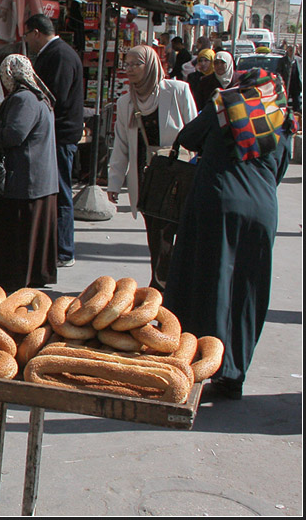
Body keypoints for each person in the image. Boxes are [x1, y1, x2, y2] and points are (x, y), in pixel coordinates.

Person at [163, 69, 295, 400]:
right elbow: (280, 167)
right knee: (247, 289)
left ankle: (197, 359)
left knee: (206, 280)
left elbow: (188, 137)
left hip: (217, 203)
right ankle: (233, 373)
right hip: (262, 210)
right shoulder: (282, 117)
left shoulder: (223, 106)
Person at [106, 45, 196, 291]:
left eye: (137, 64)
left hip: (178, 177)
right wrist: (114, 182)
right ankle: (161, 285)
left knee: (176, 236)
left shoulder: (177, 91)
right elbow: (121, 145)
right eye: (127, 64)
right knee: (157, 236)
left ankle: (173, 286)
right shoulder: (126, 102)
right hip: (148, 180)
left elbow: (195, 133)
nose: (130, 69)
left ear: (152, 65)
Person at [0, 54, 59, 289]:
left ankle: (12, 279)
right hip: (39, 178)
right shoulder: (40, 98)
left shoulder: (24, 99)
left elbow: (13, 135)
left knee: (16, 232)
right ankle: (34, 275)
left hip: (25, 179)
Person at [24, 12, 83, 268]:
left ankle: (63, 250)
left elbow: (53, 97)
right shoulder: (58, 53)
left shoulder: (59, 55)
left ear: (36, 32)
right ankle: (55, 248)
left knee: (60, 193)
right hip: (59, 133)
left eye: (27, 35)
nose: (27, 40)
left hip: (60, 135)